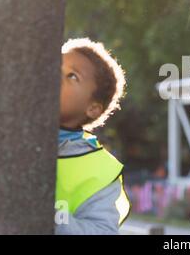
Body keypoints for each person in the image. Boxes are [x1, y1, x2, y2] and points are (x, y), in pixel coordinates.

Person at [55, 38, 131, 235]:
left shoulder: (100, 171)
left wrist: (47, 217)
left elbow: (101, 231)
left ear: (93, 108)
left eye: (72, 76)